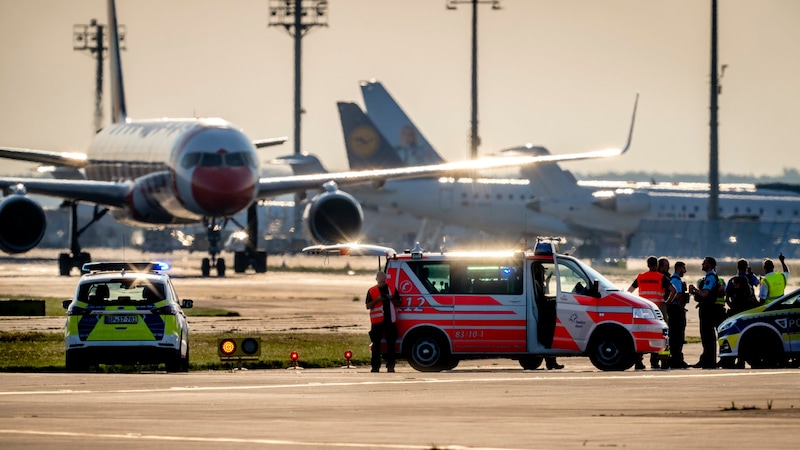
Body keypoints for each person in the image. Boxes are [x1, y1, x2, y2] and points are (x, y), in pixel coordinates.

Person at [628, 256, 676, 369]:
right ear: (657, 266)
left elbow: (629, 291)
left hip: (643, 308)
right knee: (662, 333)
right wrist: (668, 301)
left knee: (641, 333)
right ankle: (663, 361)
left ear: (648, 265)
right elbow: (674, 290)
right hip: (659, 307)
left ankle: (638, 361)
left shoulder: (641, 277)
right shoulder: (661, 277)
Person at [689, 256, 726, 369]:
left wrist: (695, 289)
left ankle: (709, 361)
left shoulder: (710, 277)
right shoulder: (711, 277)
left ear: (709, 265)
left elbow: (705, 293)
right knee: (707, 336)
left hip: (708, 310)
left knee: (707, 336)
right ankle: (707, 359)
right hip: (710, 309)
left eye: (704, 263)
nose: (702, 264)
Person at [366, 271, 401, 372]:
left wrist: (391, 299)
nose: (382, 284)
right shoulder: (372, 291)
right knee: (376, 345)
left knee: (391, 345)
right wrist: (377, 300)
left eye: (383, 281)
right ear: (376, 280)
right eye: (380, 282)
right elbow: (368, 306)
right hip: (377, 322)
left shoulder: (392, 289)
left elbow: (399, 302)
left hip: (390, 321)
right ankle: (375, 367)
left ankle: (391, 367)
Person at [533, 262, 563, 370]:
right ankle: (551, 362)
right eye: (542, 272)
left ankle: (551, 361)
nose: (543, 274)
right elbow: (540, 299)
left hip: (541, 311)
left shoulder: (538, 283)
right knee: (550, 333)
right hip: (541, 313)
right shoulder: (535, 283)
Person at [667, 261, 690, 369]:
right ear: (679, 268)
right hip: (676, 310)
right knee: (678, 335)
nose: (684, 271)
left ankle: (676, 358)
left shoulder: (673, 279)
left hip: (673, 310)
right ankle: (677, 359)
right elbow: (678, 295)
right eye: (683, 269)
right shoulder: (676, 280)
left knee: (675, 335)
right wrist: (682, 306)